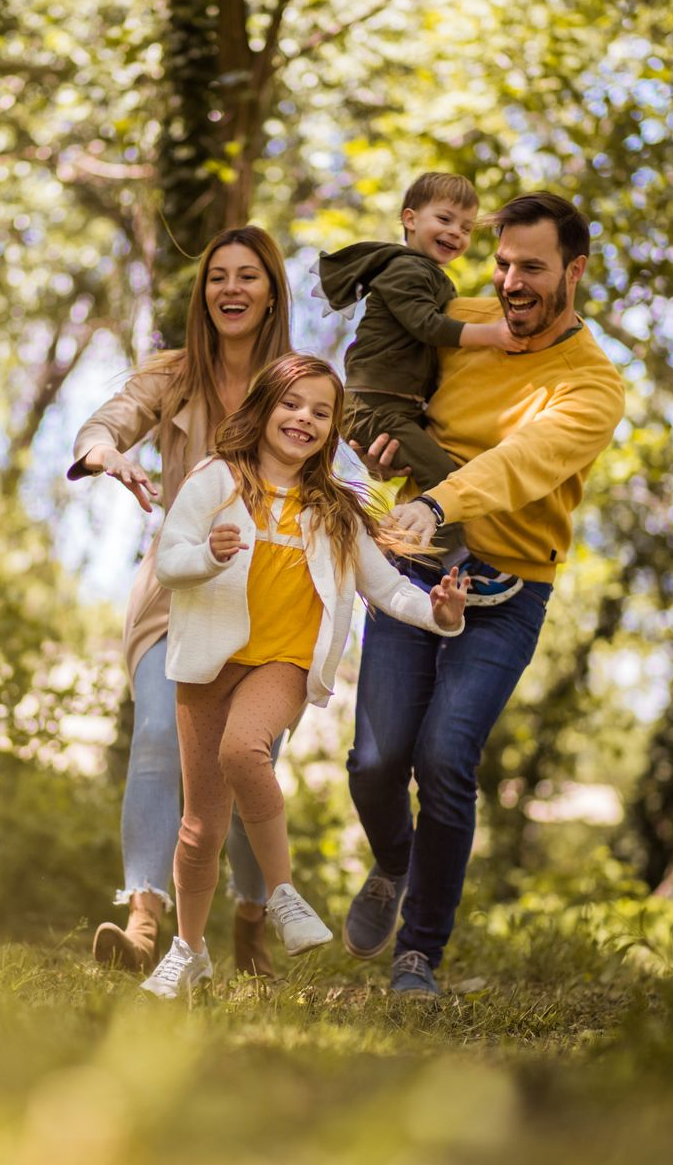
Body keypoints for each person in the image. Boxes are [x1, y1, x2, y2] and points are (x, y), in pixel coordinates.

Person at [342, 192, 626, 998]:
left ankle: (417, 954)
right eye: (501, 264)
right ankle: (394, 863)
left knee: (443, 757)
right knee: (373, 760)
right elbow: (377, 375)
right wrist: (377, 433)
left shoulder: (592, 385)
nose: (509, 283)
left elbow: (521, 462)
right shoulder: (461, 319)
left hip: (507, 588)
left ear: (573, 271)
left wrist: (437, 501)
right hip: (414, 565)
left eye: (531, 268)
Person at [138, 353, 469, 1000]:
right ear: (264, 407)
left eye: (321, 413)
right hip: (208, 661)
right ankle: (188, 950)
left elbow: (387, 588)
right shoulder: (216, 481)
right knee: (200, 825)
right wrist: (207, 556)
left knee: (243, 750)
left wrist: (438, 614)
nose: (304, 420)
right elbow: (170, 561)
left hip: (282, 664)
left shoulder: (336, 510)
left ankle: (283, 894)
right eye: (293, 404)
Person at [69, 225, 295, 978]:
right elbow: (105, 422)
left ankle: (251, 919)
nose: (230, 289)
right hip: (178, 589)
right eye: (217, 278)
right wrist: (106, 453)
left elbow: (348, 464)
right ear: (204, 294)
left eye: (247, 277)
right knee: (160, 737)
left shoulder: (298, 385)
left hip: (271, 600)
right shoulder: (171, 375)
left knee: (245, 759)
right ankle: (142, 925)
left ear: (270, 294)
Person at [316, 172, 524, 602]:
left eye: (466, 228)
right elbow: (426, 326)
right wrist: (493, 334)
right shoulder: (406, 268)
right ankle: (456, 565)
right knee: (443, 477)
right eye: (445, 219)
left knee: (438, 470)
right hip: (375, 406)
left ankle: (410, 554)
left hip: (391, 406)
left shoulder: (425, 272)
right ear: (409, 219)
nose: (456, 233)